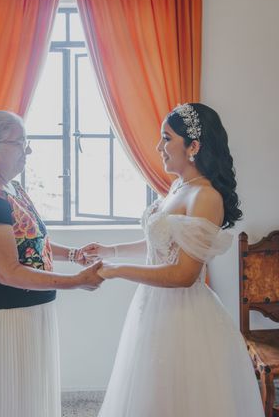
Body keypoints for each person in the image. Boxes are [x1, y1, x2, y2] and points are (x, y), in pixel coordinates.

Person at [80, 103, 265, 417]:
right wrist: (110, 250)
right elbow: (161, 243)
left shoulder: (205, 197)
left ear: (193, 146)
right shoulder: (179, 187)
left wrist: (117, 271)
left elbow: (184, 275)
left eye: (166, 138)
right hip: (153, 308)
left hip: (184, 316)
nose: (158, 147)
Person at [0, 110, 103, 417]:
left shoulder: (12, 189)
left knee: (31, 399)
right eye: (21, 142)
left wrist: (73, 254)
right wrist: (75, 281)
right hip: (7, 318)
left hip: (30, 312)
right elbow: (7, 271)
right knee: (12, 403)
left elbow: (32, 244)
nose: (29, 149)